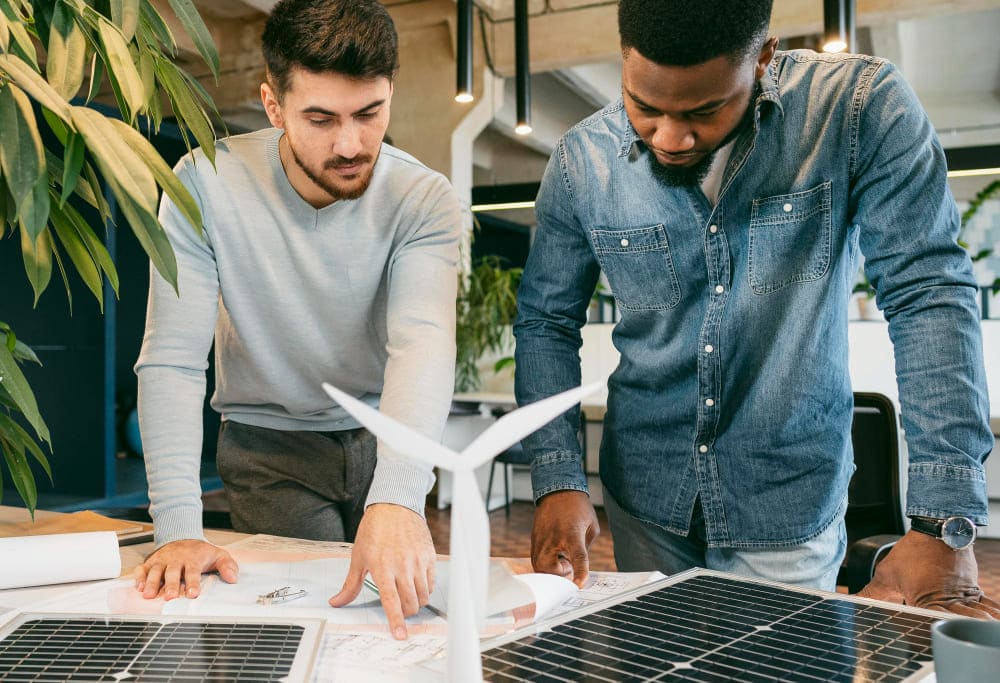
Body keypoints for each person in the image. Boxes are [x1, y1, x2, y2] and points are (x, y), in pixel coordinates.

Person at [514, 0, 998, 616]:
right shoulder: (582, 162)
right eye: (644, 105)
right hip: (647, 494)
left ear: (764, 58)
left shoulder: (854, 111)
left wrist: (942, 521)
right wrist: (559, 478)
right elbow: (545, 322)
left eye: (703, 110)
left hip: (788, 500)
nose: (669, 137)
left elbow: (927, 291)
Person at [133, 0, 461, 639]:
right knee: (307, 627)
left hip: (382, 436)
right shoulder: (204, 183)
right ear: (273, 105)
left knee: (396, 629)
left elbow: (422, 343)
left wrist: (397, 495)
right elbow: (172, 358)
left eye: (370, 113)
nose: (350, 144)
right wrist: (178, 530)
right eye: (321, 118)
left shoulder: (423, 198)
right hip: (269, 445)